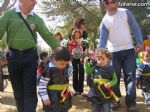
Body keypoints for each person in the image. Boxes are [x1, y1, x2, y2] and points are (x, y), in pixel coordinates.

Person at [0, 0, 60, 112]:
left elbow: (47, 35)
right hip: (13, 58)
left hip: (30, 57)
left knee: (29, 91)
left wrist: (60, 50)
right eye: (33, 0)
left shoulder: (36, 18)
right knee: (18, 92)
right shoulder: (8, 15)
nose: (36, 2)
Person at [98, 0, 143, 111]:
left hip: (129, 50)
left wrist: (140, 41)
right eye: (107, 2)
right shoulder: (104, 21)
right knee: (114, 78)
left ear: (117, 2)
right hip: (113, 53)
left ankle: (131, 103)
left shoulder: (126, 12)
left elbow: (135, 27)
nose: (110, 4)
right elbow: (102, 40)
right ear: (104, 4)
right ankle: (116, 100)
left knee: (130, 77)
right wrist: (98, 53)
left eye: (113, 1)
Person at [38, 47, 72, 112]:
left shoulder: (64, 68)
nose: (64, 66)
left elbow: (69, 74)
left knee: (63, 109)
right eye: (62, 64)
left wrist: (70, 65)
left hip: (64, 96)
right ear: (54, 59)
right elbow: (42, 85)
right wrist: (45, 98)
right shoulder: (48, 71)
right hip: (52, 98)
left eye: (66, 64)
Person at [68, 29, 85, 95]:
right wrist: (74, 45)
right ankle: (75, 90)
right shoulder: (71, 42)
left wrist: (83, 50)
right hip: (73, 58)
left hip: (80, 58)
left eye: (78, 34)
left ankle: (81, 90)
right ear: (73, 35)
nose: (77, 35)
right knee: (75, 73)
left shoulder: (83, 41)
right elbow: (69, 49)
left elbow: (84, 49)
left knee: (82, 72)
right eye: (76, 34)